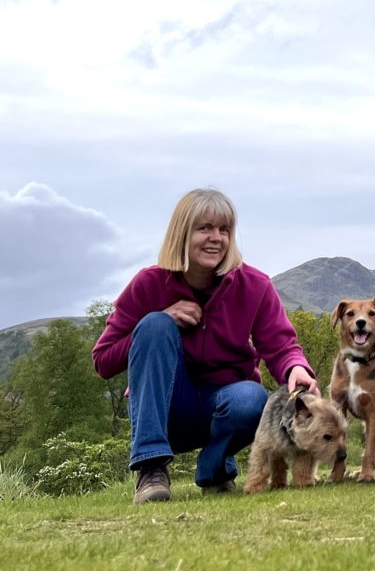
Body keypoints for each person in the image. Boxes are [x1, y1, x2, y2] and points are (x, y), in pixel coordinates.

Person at [92, 188, 318, 504]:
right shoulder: (149, 283)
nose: (216, 238)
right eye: (204, 228)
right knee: (154, 325)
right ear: (182, 233)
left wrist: (297, 368)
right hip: (165, 410)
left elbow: (282, 346)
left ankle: (214, 468)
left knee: (254, 398)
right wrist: (164, 317)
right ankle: (151, 468)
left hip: (225, 406)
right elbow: (103, 360)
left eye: (224, 230)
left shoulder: (254, 285)